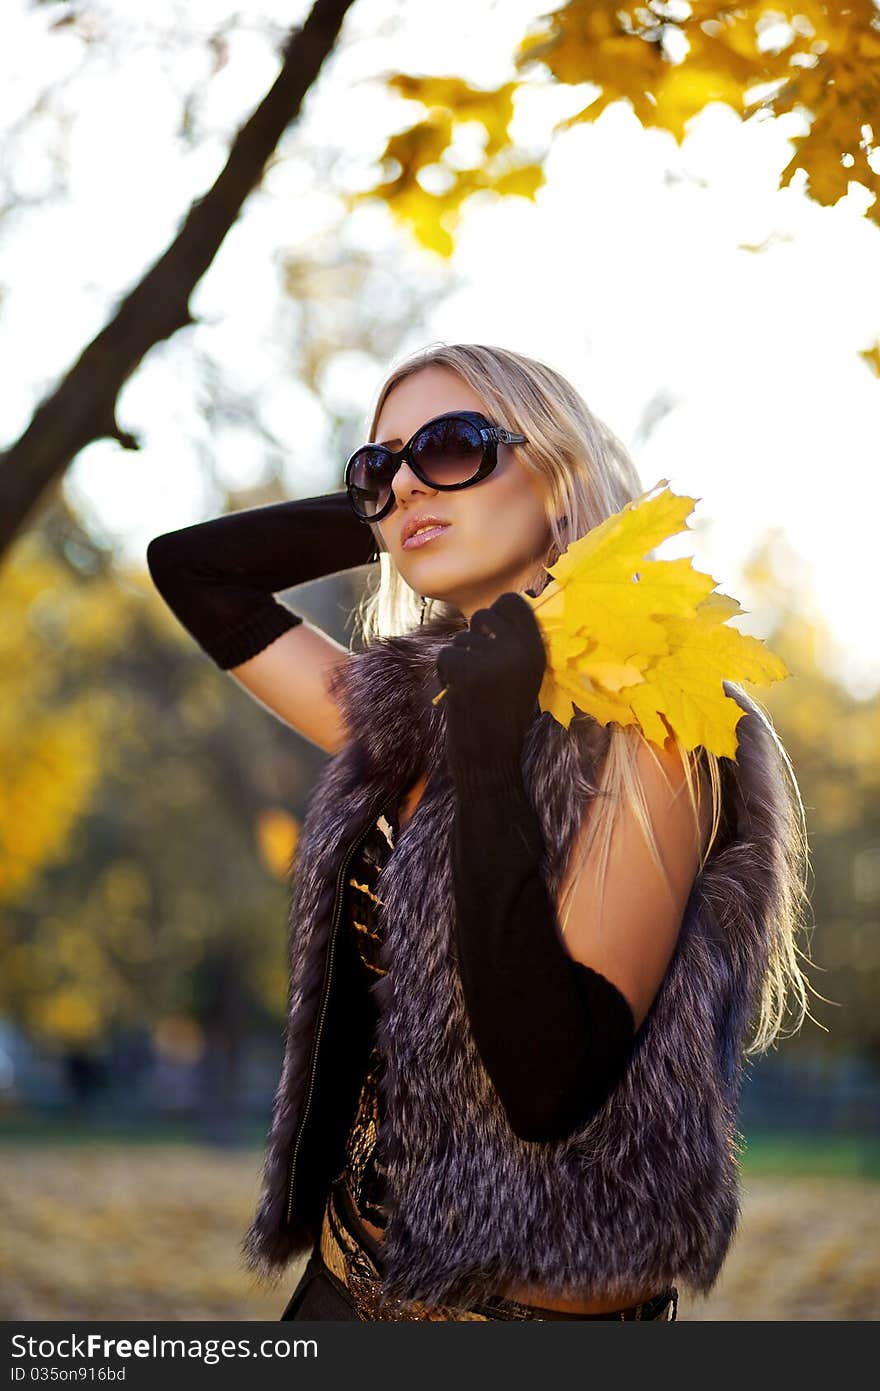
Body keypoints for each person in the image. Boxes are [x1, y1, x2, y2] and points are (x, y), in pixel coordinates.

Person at [146, 342, 812, 1321]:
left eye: (453, 444)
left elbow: (550, 1078)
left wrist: (493, 760)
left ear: (559, 473)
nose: (406, 480)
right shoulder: (420, 704)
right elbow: (193, 569)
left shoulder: (653, 717)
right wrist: (414, 501)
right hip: (345, 1275)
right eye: (377, 464)